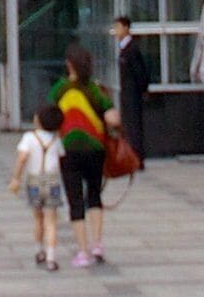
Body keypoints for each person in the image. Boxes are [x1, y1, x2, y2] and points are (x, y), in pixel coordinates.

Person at [53, 48, 114, 268]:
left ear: (69, 64)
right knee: (94, 195)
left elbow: (47, 116)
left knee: (75, 199)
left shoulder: (60, 89)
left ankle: (83, 252)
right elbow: (112, 118)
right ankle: (97, 244)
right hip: (96, 149)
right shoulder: (96, 90)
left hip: (68, 150)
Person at [8, 106, 63, 270]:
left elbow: (22, 158)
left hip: (34, 180)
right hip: (52, 180)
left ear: (37, 120)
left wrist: (16, 178)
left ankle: (40, 251)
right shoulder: (56, 140)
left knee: (38, 218)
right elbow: (61, 157)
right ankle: (52, 258)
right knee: (51, 220)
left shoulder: (29, 137)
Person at [112, 16, 153, 161]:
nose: (115, 31)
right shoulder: (124, 48)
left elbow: (139, 72)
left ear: (126, 28)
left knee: (134, 127)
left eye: (118, 27)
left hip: (133, 94)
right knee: (129, 127)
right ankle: (132, 157)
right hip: (128, 94)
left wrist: (142, 90)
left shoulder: (132, 49)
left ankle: (137, 158)